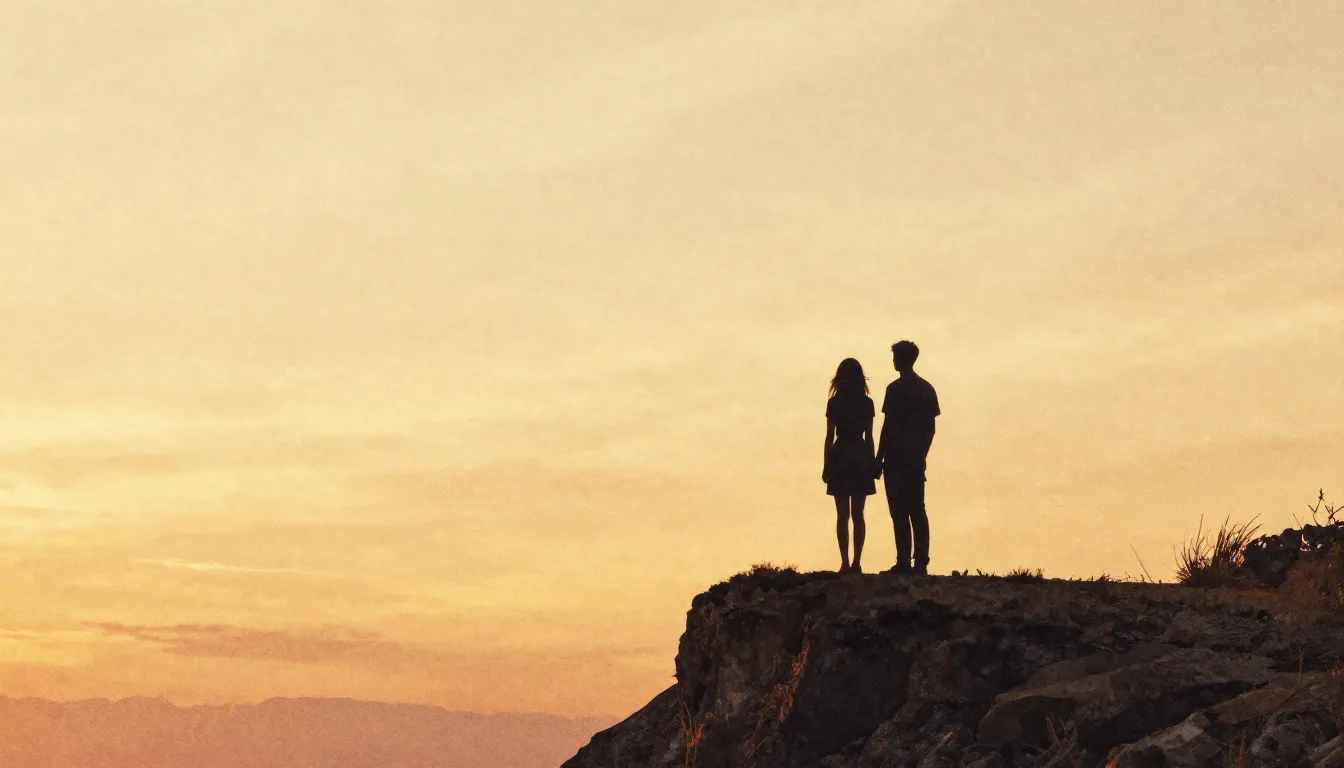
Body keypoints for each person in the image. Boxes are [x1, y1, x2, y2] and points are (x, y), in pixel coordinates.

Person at [875, 340, 940, 575]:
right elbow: (931, 429)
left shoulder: (894, 390)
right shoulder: (927, 389)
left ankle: (904, 560)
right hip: (914, 458)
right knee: (917, 510)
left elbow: (888, 427)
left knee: (900, 511)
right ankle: (920, 561)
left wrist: (879, 457)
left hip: (895, 458)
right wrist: (921, 454)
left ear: (899, 360)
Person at [823, 358, 877, 574]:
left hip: (840, 456)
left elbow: (829, 436)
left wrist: (826, 464)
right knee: (858, 514)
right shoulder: (867, 403)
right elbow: (870, 437)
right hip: (860, 456)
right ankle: (856, 562)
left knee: (842, 515)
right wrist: (873, 462)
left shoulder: (834, 403)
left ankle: (845, 562)